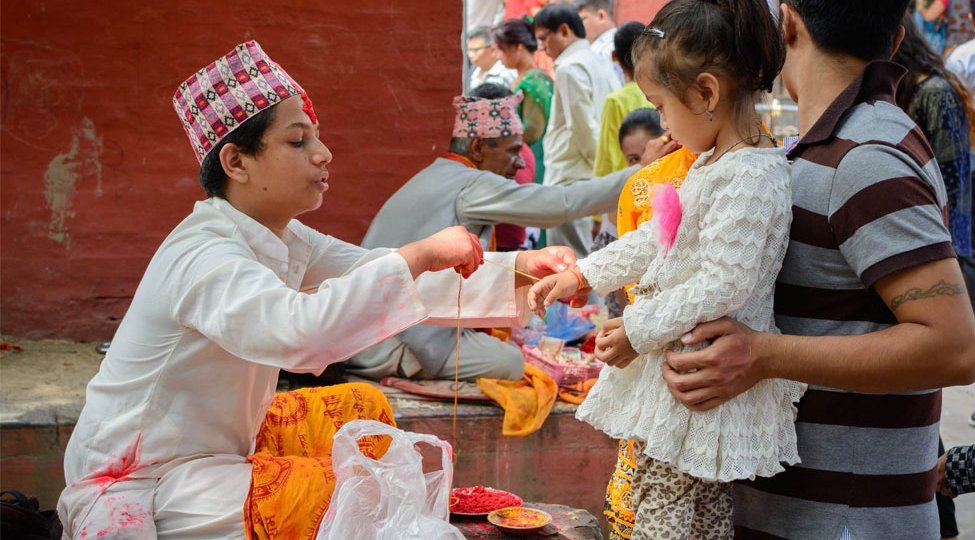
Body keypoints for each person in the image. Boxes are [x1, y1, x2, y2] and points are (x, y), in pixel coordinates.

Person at [55, 41, 571, 539]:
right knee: (345, 497)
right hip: (146, 476)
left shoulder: (278, 234)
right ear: (236, 162)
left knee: (363, 410)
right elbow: (301, 335)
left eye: (316, 137)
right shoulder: (205, 254)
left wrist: (523, 268)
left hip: (218, 449)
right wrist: (414, 254)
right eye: (298, 141)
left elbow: (382, 275)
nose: (324, 154)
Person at [656, 0, 975, 537]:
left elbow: (955, 345)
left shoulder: (866, 157)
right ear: (896, 41)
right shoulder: (828, 147)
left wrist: (763, 355)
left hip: (845, 520)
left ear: (789, 25)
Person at [528, 1, 803, 536]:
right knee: (690, 512)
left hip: (700, 381)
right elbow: (659, 239)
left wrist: (636, 328)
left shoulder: (747, 176)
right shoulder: (715, 162)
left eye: (660, 105)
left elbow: (725, 281)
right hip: (690, 370)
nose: (661, 122)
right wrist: (585, 275)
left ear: (705, 93)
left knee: (662, 511)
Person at [347, 91, 643, 382]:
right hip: (391, 342)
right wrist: (642, 171)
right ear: (477, 148)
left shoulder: (443, 174)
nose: (521, 163)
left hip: (376, 331)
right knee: (513, 362)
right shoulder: (471, 184)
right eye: (513, 151)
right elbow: (563, 203)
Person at [534, 2, 621, 257]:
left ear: (563, 31)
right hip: (593, 178)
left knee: (571, 263)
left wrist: (599, 175)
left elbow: (584, 129)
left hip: (572, 180)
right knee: (590, 260)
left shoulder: (570, 68)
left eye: (543, 39)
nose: (541, 48)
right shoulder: (599, 61)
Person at [494, 18, 555, 184]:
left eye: (501, 49)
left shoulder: (533, 81)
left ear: (518, 47)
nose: (499, 56)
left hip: (534, 157)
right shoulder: (527, 78)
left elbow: (532, 130)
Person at [593, 21, 654, 177]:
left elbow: (606, 160)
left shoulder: (615, 101)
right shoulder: (663, 92)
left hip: (627, 185)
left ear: (614, 56)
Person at [574, 0, 624, 84]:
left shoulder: (601, 51)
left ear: (601, 16)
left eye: (582, 19)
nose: (578, 26)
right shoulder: (623, 40)